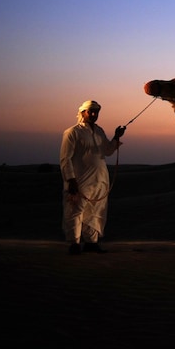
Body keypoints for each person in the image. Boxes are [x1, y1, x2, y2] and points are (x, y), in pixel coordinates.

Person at [60, 100, 125, 254]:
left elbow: (107, 151)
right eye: (91, 111)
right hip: (79, 179)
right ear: (83, 112)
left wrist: (116, 137)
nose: (94, 114)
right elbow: (65, 159)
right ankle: (74, 244)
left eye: (96, 112)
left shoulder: (100, 131)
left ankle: (91, 243)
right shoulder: (72, 132)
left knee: (96, 211)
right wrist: (71, 180)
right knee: (75, 210)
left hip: (100, 179)